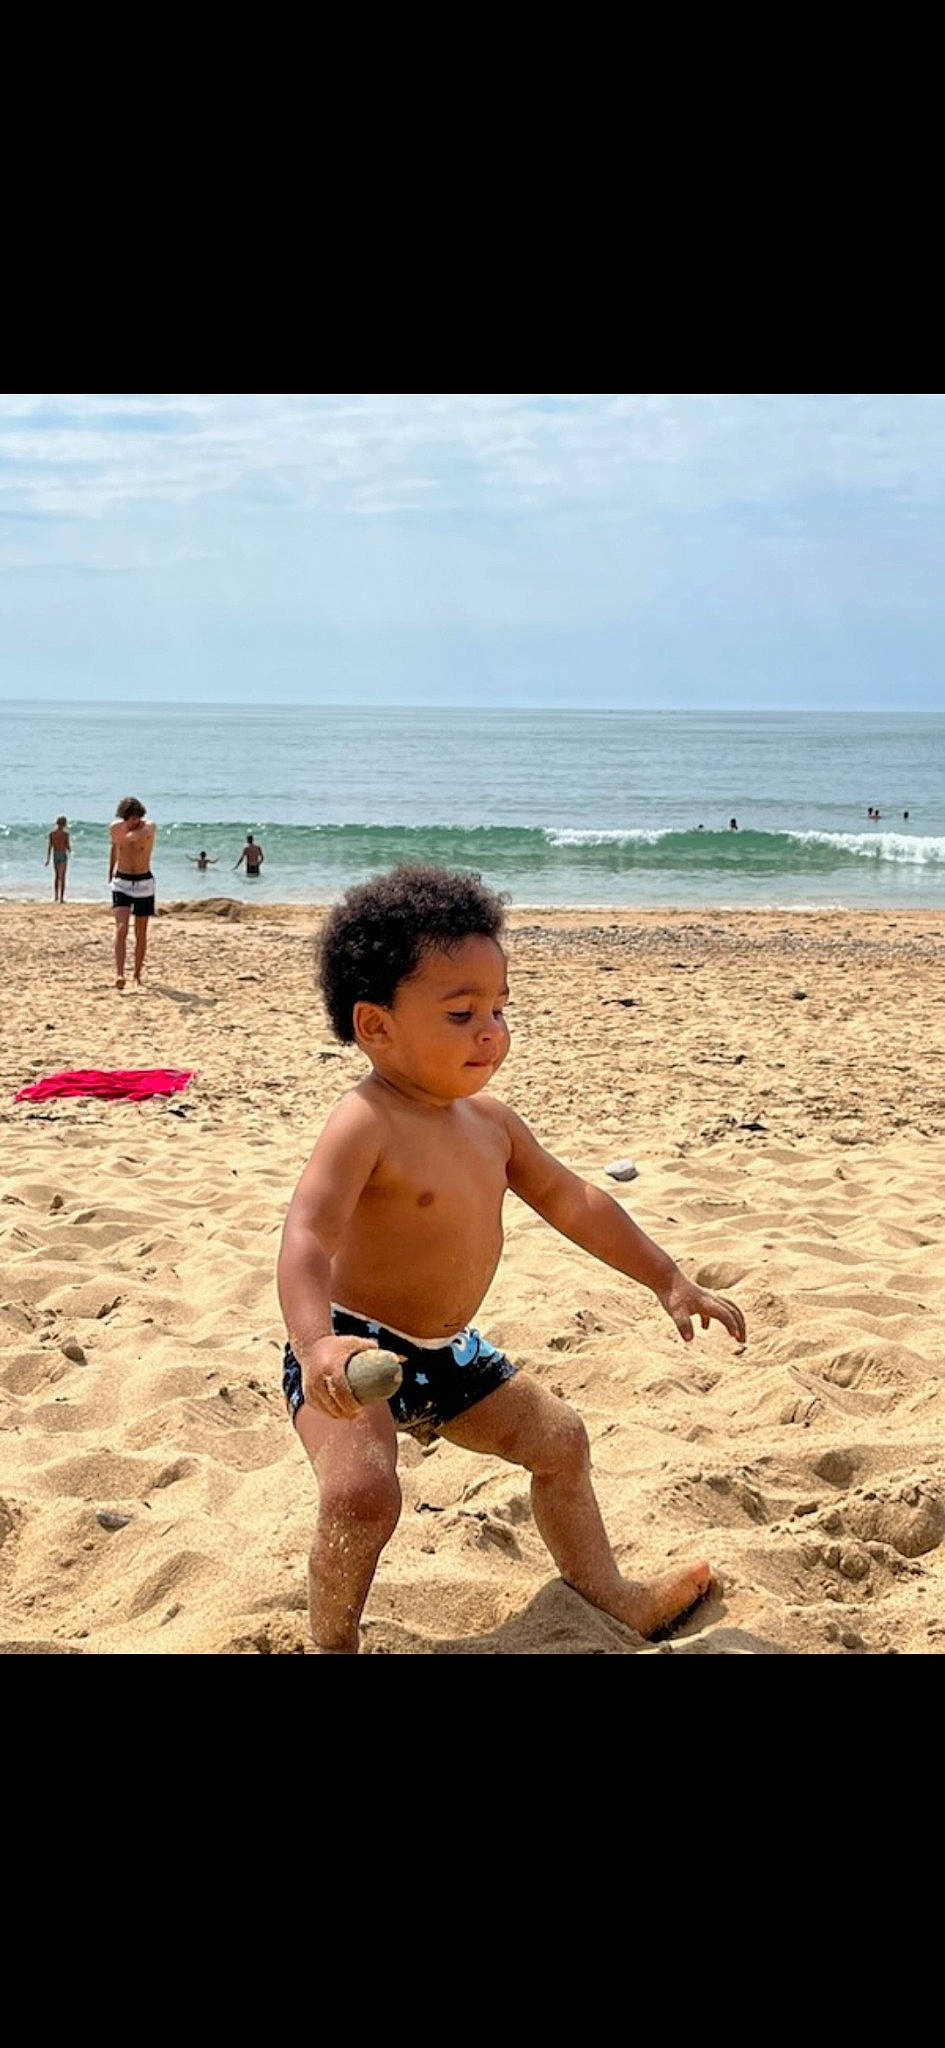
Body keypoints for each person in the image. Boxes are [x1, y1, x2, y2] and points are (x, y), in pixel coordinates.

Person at [277, 863, 747, 1655]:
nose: (490, 1029)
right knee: (361, 1495)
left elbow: (575, 1202)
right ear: (376, 1025)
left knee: (559, 1441)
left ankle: (610, 1593)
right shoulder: (364, 1122)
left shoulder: (490, 1123)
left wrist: (666, 1277)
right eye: (460, 1013)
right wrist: (315, 1342)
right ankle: (333, 1643)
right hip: (353, 1351)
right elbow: (306, 1236)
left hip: (449, 1353)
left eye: (499, 1008)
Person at [108, 797, 156, 990]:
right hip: (122, 881)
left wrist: (128, 834)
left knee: (141, 931)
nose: (135, 821)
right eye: (131, 818)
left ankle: (137, 973)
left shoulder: (149, 827)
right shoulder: (115, 827)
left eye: (137, 817)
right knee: (121, 928)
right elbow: (115, 847)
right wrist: (110, 869)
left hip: (144, 882)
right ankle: (119, 974)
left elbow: (135, 836)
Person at [44, 815, 71, 902]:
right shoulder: (66, 834)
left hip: (55, 855)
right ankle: (61, 898)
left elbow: (50, 847)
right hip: (62, 855)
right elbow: (67, 846)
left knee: (56, 877)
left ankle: (56, 896)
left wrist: (48, 859)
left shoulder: (52, 834)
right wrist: (70, 849)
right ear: (64, 824)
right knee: (62, 877)